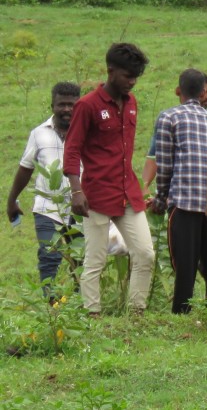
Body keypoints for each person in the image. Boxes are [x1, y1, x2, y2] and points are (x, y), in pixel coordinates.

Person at [63, 43, 156, 317]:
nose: (132, 82)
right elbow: (72, 149)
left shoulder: (132, 103)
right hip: (96, 195)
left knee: (145, 254)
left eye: (136, 76)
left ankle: (136, 311)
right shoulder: (87, 105)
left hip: (128, 192)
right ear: (110, 71)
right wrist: (76, 191)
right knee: (95, 259)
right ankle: (93, 315)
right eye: (128, 76)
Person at [151, 69, 207, 314]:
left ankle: (182, 317)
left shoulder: (168, 117)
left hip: (183, 205)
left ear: (178, 91)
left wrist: (161, 198)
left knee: (185, 268)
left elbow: (165, 164)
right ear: (203, 92)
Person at [7, 82, 81, 290]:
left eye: (71, 105)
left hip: (81, 205)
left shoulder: (88, 133)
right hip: (47, 206)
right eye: (61, 104)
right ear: (52, 106)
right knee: (49, 255)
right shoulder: (38, 133)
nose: (66, 109)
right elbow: (25, 168)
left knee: (81, 256)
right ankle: (51, 304)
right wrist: (12, 200)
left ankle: (81, 303)